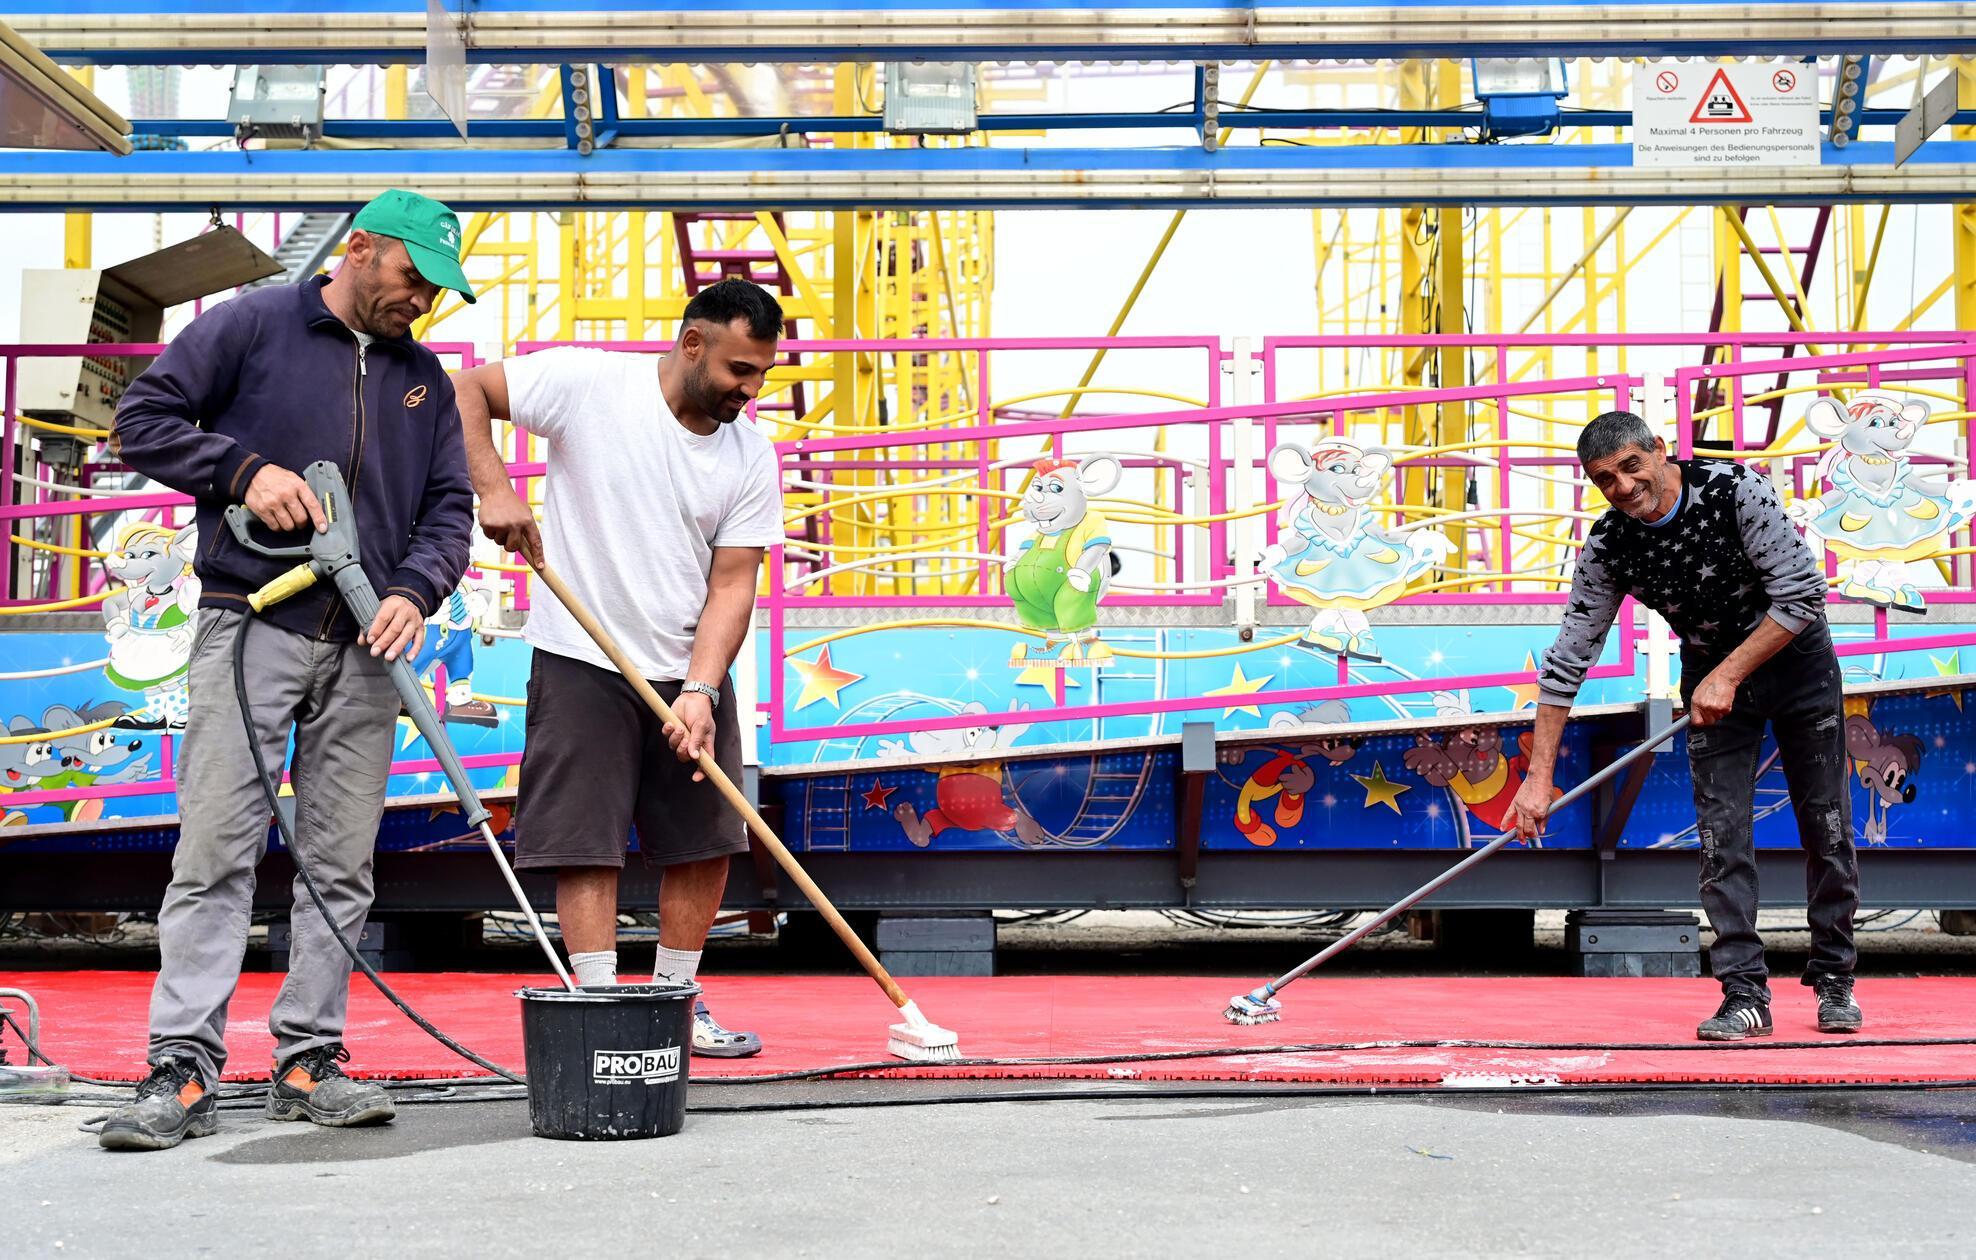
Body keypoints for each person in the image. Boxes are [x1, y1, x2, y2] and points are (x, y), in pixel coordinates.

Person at [97, 190, 478, 1150]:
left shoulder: (423, 378)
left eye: (438, 291)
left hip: (368, 646)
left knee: (340, 863)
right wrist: (239, 470)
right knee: (216, 850)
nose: (421, 303)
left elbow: (449, 510)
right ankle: (180, 1068)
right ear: (358, 250)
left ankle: (311, 1063)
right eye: (412, 279)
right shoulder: (253, 323)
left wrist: (416, 592)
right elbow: (141, 417)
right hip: (248, 625)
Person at [454, 278, 785, 1057]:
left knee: (706, 840)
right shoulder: (588, 384)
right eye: (741, 369)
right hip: (582, 655)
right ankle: (599, 1003)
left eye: (763, 372)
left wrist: (702, 690)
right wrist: (494, 487)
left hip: (687, 665)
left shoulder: (750, 453)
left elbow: (733, 582)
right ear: (693, 344)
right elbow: (464, 388)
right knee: (585, 841)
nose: (751, 388)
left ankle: (675, 1002)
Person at [1510, 410, 1862, 1042]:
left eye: (1630, 466)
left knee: (1825, 823)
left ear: (1660, 451)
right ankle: (1744, 993)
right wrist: (1538, 781)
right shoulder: (1609, 544)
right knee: (1721, 835)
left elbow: (1804, 595)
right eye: (1604, 479)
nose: (1622, 487)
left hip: (1797, 662)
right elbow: (1567, 660)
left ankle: (1835, 974)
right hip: (1710, 676)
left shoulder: (1734, 490)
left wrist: (1727, 675)